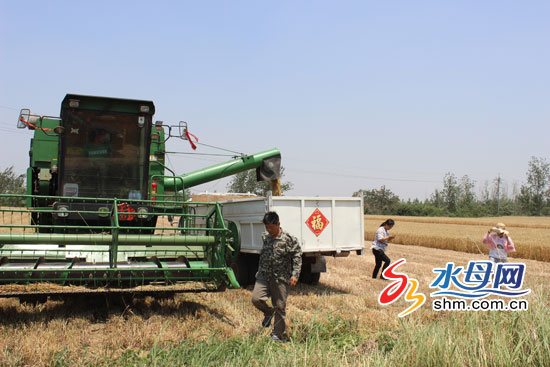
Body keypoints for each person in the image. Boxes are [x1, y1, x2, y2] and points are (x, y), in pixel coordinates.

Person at [251, 211, 302, 342]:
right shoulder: (265, 237)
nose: (268, 230)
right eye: (266, 227)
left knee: (280, 306)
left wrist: (295, 274)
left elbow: (297, 255)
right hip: (264, 275)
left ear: (278, 224)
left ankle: (277, 334)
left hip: (280, 278)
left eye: (271, 227)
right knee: (256, 299)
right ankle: (268, 312)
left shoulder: (289, 239)